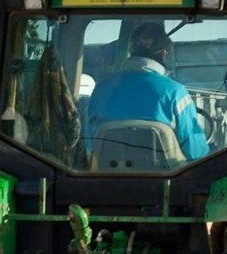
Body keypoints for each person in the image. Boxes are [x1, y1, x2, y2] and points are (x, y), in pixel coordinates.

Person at [87, 22, 209, 161]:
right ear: (164, 53)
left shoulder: (101, 89)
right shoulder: (176, 92)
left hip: (108, 172)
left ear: (131, 50)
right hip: (170, 174)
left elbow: (89, 141)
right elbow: (195, 152)